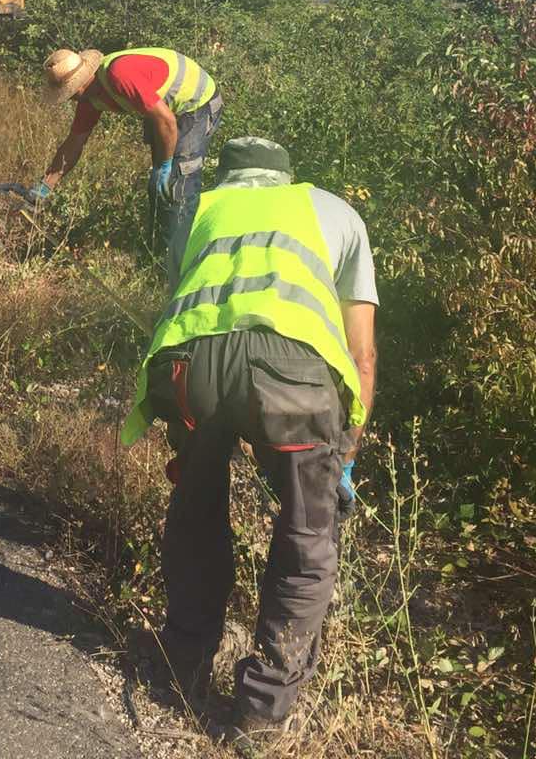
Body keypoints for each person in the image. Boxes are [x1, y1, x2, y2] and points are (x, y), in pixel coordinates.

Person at [122, 137, 378, 750]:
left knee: (196, 514)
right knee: (305, 537)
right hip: (297, 381)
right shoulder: (337, 212)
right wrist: (347, 448)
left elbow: (182, 302)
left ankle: (180, 667)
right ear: (289, 177)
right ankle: (260, 714)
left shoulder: (199, 208)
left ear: (228, 175)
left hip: (195, 375)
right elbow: (361, 351)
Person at [31, 46, 222, 289]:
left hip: (195, 104)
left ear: (78, 86)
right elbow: (74, 142)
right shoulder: (90, 98)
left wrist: (165, 165)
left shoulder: (120, 77)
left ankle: (178, 275)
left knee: (176, 186)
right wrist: (46, 185)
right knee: (158, 188)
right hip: (164, 110)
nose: (69, 99)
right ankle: (156, 258)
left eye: (68, 93)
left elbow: (167, 122)